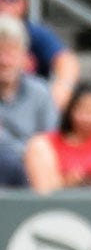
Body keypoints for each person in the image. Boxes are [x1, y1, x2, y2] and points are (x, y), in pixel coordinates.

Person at [0, 0, 80, 109]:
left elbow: (67, 62)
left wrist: (58, 94)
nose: (4, 6)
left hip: (31, 110)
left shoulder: (35, 33)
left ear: (24, 3)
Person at [0, 14, 58, 187]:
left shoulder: (40, 92)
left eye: (11, 52)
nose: (4, 61)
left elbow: (51, 141)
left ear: (24, 58)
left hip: (31, 171)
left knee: (40, 150)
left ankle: (46, 205)